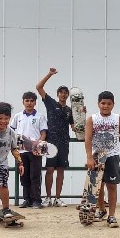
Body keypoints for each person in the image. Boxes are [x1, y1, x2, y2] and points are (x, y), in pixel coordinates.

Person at [85, 91, 120, 228]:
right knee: (97, 186)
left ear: (113, 104)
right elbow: (88, 138)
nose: (105, 106)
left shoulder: (118, 119)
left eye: (109, 104)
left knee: (111, 185)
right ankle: (102, 210)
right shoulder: (92, 119)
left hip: (112, 155)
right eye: (103, 103)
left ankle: (112, 215)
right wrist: (89, 157)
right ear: (98, 104)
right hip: (97, 156)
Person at [36, 68, 75, 207]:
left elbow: (75, 127)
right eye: (61, 92)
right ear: (57, 94)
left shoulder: (70, 110)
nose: (64, 95)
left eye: (66, 93)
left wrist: (81, 115)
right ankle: (48, 197)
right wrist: (49, 74)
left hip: (64, 142)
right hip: (51, 141)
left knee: (61, 170)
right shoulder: (51, 103)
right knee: (50, 169)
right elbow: (38, 87)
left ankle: (58, 198)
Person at [10, 91, 48, 209]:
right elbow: (11, 131)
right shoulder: (18, 116)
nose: (29, 103)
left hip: (35, 150)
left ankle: (37, 200)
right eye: (27, 100)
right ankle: (26, 199)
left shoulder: (40, 116)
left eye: (32, 101)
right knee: (24, 175)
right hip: (21, 150)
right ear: (23, 102)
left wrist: (38, 144)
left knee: (35, 175)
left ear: (35, 102)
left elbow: (43, 133)